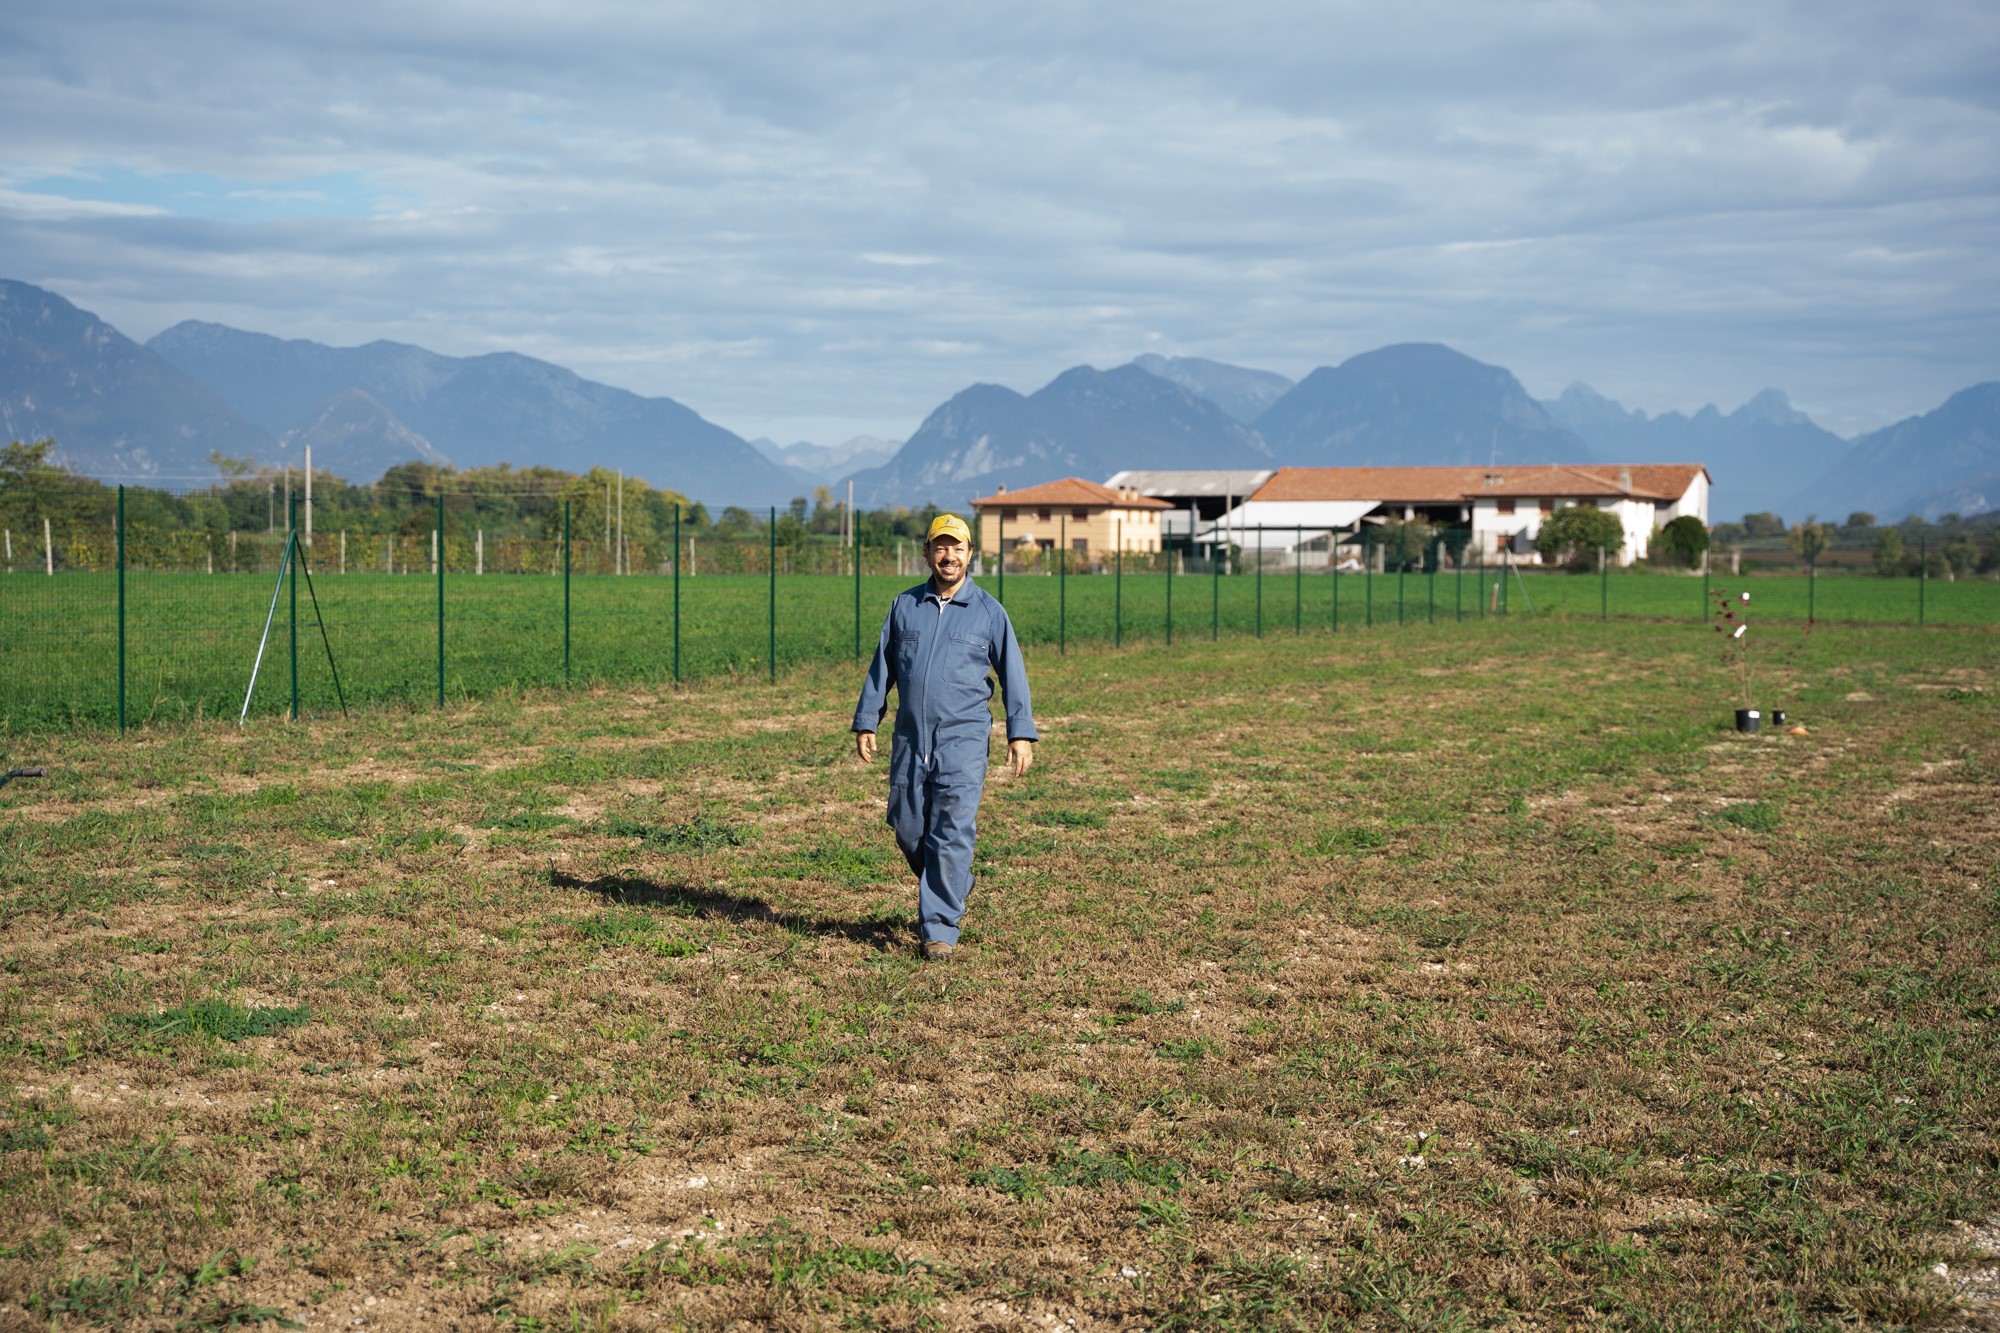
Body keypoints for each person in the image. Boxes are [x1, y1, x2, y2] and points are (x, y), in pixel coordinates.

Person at [852, 513, 1036, 960]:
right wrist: (867, 719)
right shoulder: (905, 606)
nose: (948, 556)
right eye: (940, 547)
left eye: (957, 548)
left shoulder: (989, 613)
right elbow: (883, 666)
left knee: (951, 830)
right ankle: (953, 880)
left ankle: (939, 929)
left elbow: (1013, 673)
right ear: (927, 553)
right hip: (910, 738)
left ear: (970, 554)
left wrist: (1020, 732)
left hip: (963, 739)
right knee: (906, 824)